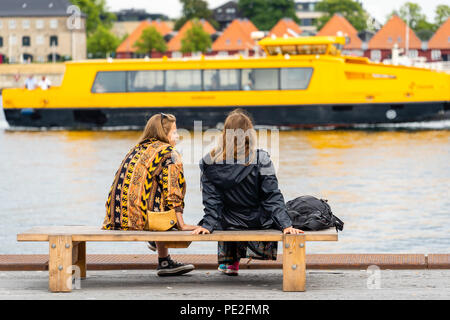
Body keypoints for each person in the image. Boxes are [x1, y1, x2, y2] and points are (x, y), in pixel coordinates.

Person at [192, 109, 303, 276]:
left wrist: (207, 225)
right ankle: (232, 263)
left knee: (225, 215)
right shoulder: (261, 159)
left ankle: (229, 262)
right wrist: (286, 225)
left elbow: (212, 201)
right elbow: (271, 196)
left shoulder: (209, 162)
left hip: (227, 222)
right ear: (249, 134)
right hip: (256, 221)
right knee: (260, 211)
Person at [102, 113, 198, 276]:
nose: (177, 136)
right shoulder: (168, 152)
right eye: (174, 132)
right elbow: (173, 190)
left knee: (154, 188)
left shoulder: (137, 148)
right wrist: (181, 224)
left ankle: (163, 259)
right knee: (168, 189)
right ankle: (162, 255)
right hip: (141, 220)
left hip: (115, 218)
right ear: (163, 133)